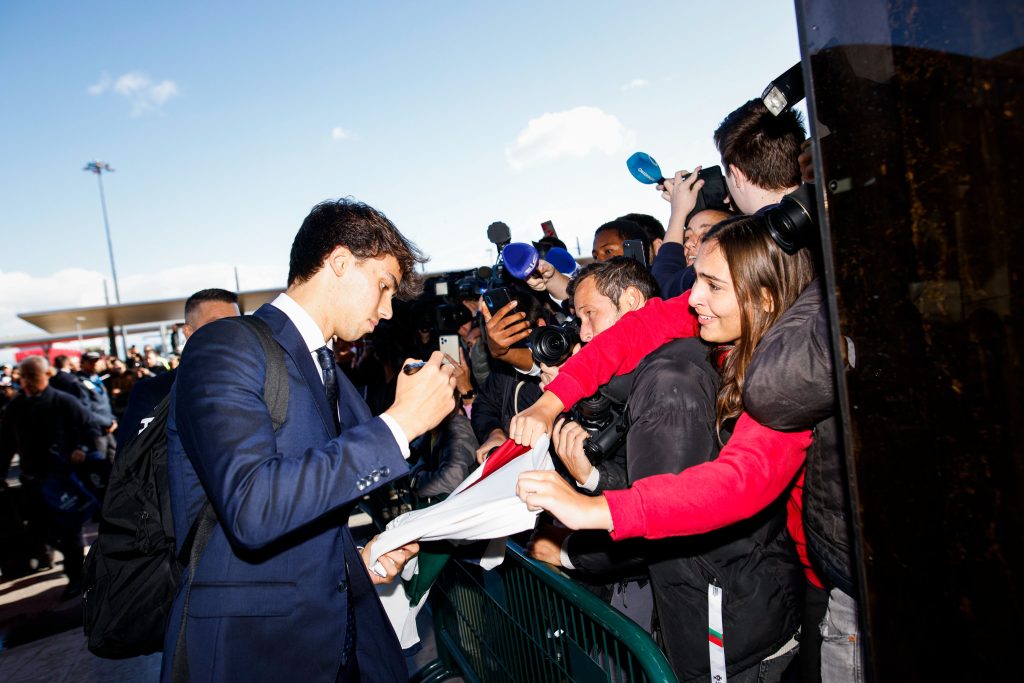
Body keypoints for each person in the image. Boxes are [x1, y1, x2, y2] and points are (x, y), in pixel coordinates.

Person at [513, 215, 820, 680]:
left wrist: (594, 511)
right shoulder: (726, 322)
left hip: (796, 594)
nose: (693, 297)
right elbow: (636, 330)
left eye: (712, 286)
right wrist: (550, 403)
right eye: (696, 278)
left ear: (763, 299)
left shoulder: (786, 370)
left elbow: (738, 482)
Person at [162, 198, 458, 682]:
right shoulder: (225, 345)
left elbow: (315, 507)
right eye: (383, 286)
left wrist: (362, 562)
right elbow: (253, 507)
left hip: (337, 640)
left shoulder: (330, 373)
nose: (386, 311)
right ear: (339, 262)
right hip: (254, 653)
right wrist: (399, 424)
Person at [0, 356, 101, 599]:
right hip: (34, 479)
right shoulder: (16, 407)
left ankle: (78, 577)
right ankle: (54, 557)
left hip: (63, 477)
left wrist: (81, 449)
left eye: (33, 377)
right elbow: (5, 444)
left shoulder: (63, 401)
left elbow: (90, 428)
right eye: (24, 378)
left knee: (70, 531)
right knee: (39, 529)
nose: (28, 383)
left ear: (46, 375)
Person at [116, 288, 240, 454]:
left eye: (237, 324)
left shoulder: (260, 381)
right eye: (216, 324)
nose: (229, 333)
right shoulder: (154, 392)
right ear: (188, 332)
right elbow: (130, 462)